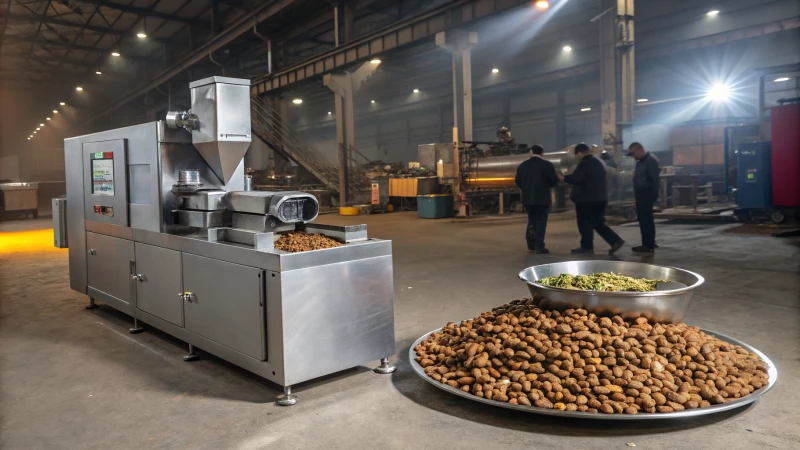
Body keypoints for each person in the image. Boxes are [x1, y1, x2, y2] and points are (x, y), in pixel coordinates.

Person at [558, 144, 625, 255]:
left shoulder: (585, 163)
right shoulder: (599, 162)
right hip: (600, 198)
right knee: (598, 223)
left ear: (580, 152)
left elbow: (578, 179)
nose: (577, 157)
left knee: (584, 223)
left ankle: (587, 247)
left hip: (586, 200)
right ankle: (615, 241)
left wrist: (564, 178)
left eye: (577, 154)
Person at [515, 144, 559, 254]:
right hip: (542, 198)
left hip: (527, 198)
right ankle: (539, 246)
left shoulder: (523, 165)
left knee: (532, 220)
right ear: (542, 154)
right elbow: (554, 181)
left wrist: (526, 189)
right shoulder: (547, 165)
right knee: (541, 222)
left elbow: (518, 181)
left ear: (531, 152)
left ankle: (531, 245)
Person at [628, 142, 660, 253]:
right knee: (644, 220)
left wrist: (653, 196)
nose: (633, 156)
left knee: (646, 220)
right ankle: (649, 242)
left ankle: (647, 245)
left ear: (639, 150)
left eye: (633, 153)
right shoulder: (641, 161)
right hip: (641, 194)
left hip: (646, 194)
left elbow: (654, 180)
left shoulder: (650, 160)